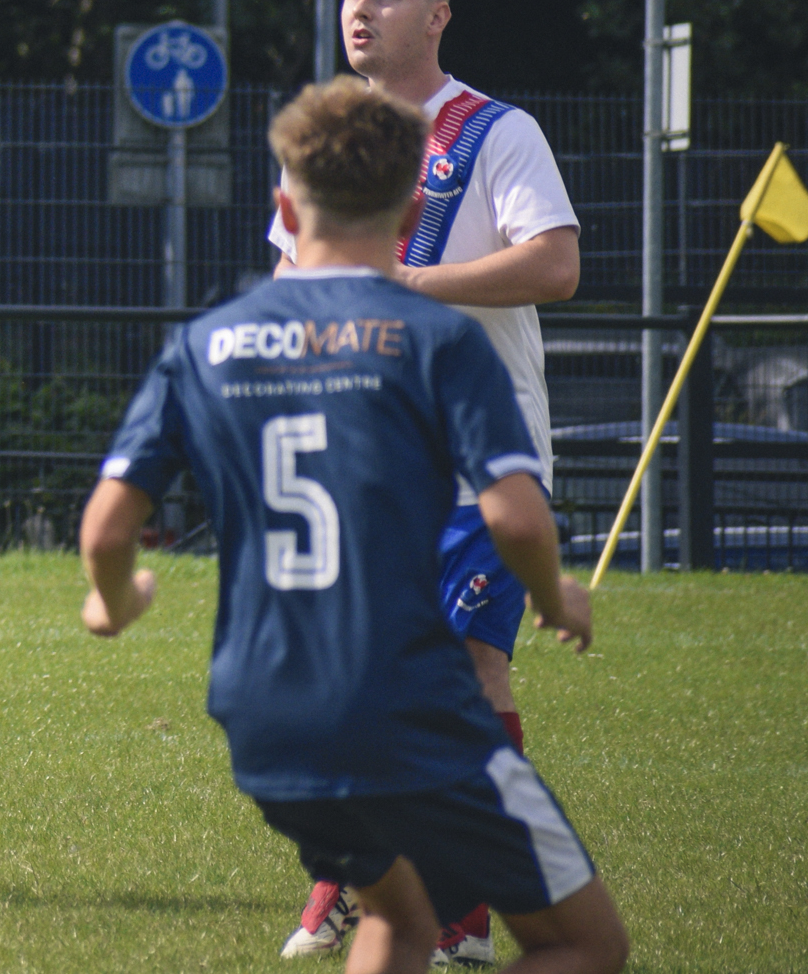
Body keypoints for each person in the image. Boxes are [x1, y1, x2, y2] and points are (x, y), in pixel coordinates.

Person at [81, 79, 627, 974]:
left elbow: (107, 532)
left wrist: (113, 600)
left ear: (284, 209)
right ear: (413, 211)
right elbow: (517, 516)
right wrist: (554, 593)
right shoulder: (436, 338)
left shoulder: (206, 343)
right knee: (587, 943)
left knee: (394, 923)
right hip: (407, 702)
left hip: (263, 717)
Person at [269, 0, 582, 966]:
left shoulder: (495, 131)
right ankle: (350, 885)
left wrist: (410, 285)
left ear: (437, 15)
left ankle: (463, 912)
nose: (361, 9)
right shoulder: (324, 140)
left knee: (466, 668)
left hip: (479, 459)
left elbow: (555, 263)